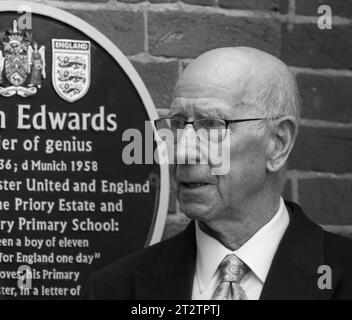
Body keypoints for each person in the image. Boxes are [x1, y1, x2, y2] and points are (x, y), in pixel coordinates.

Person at [84, 47, 352, 300]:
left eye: (211, 125)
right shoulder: (113, 290)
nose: (182, 151)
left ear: (278, 144)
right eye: (177, 125)